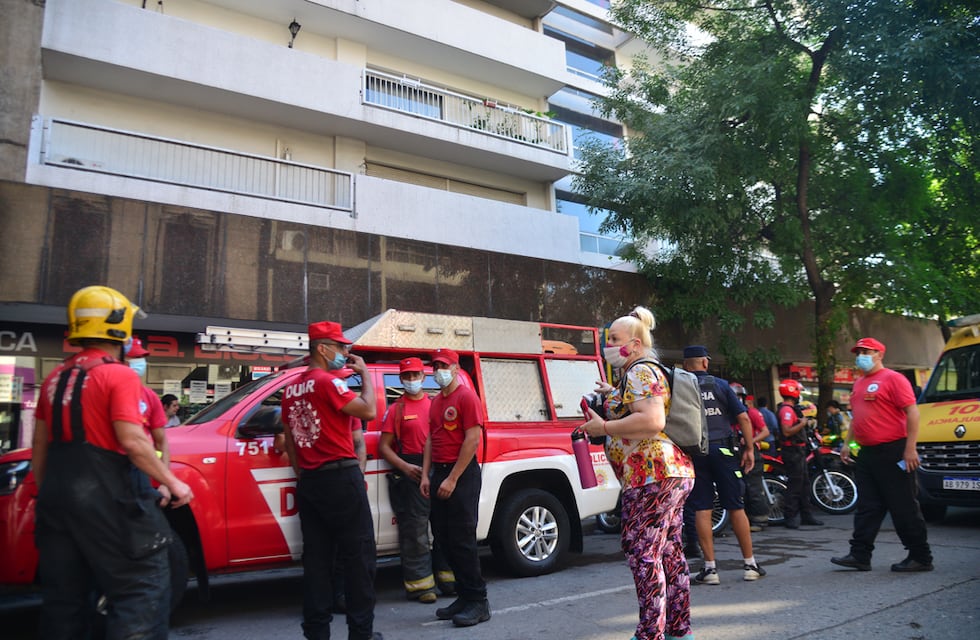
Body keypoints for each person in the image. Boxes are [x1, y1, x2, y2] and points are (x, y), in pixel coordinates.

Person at [31, 285, 193, 640]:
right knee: (142, 593)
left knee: (65, 606)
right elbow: (133, 441)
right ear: (120, 328)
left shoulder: (55, 378)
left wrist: (54, 502)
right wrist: (175, 483)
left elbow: (39, 451)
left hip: (57, 506)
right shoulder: (117, 375)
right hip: (110, 506)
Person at [581, 307, 695, 640]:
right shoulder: (641, 372)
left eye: (614, 340)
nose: (608, 346)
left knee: (643, 554)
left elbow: (652, 420)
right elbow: (640, 407)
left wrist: (603, 425)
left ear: (634, 343)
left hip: (652, 476)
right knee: (669, 552)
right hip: (669, 472)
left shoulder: (641, 372)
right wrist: (610, 395)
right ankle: (678, 629)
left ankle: (650, 634)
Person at [280, 321, 383, 640]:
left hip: (310, 481)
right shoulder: (327, 383)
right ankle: (361, 634)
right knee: (359, 558)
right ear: (322, 349)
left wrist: (305, 475)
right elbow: (367, 410)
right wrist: (365, 373)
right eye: (340, 348)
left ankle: (316, 633)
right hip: (340, 478)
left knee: (317, 563)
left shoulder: (290, 390)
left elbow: (292, 443)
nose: (345, 353)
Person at [831, 337, 933, 573]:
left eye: (866, 351)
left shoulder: (894, 379)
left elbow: (913, 413)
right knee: (867, 506)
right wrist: (847, 444)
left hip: (894, 450)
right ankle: (860, 555)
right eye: (858, 351)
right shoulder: (858, 384)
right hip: (867, 453)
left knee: (903, 505)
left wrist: (910, 448)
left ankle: (921, 556)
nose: (861, 355)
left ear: (879, 354)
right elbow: (858, 418)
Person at [682, 345, 765, 584]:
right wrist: (749, 448)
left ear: (686, 365)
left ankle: (710, 569)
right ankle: (750, 565)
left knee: (702, 508)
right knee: (736, 506)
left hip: (696, 451)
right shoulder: (720, 385)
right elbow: (744, 418)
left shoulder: (680, 387)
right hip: (724, 449)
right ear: (705, 363)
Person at [421, 348, 491, 628]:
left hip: (461, 474)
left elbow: (472, 440)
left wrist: (453, 479)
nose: (438, 369)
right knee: (444, 539)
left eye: (443, 365)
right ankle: (464, 596)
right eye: (435, 365)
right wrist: (427, 475)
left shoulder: (466, 397)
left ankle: (478, 601)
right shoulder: (436, 401)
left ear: (455, 367)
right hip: (440, 472)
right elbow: (430, 440)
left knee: (462, 540)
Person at [378, 357, 455, 604]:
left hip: (436, 468)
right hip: (410, 472)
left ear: (424, 377)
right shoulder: (396, 409)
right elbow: (384, 447)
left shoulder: (435, 406)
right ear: (401, 379)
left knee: (443, 526)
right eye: (407, 376)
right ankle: (421, 587)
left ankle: (449, 579)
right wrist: (404, 466)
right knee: (415, 532)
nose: (412, 380)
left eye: (415, 375)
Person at [775, 380, 823, 529]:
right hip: (792, 451)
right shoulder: (787, 411)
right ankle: (790, 517)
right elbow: (787, 431)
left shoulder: (791, 409)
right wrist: (802, 423)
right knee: (795, 485)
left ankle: (806, 515)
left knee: (804, 484)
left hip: (799, 450)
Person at [734, 387, 770, 531]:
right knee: (743, 488)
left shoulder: (751, 413)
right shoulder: (730, 415)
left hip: (752, 453)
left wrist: (750, 440)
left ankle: (760, 521)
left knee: (753, 488)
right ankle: (748, 519)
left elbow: (765, 431)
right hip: (737, 453)